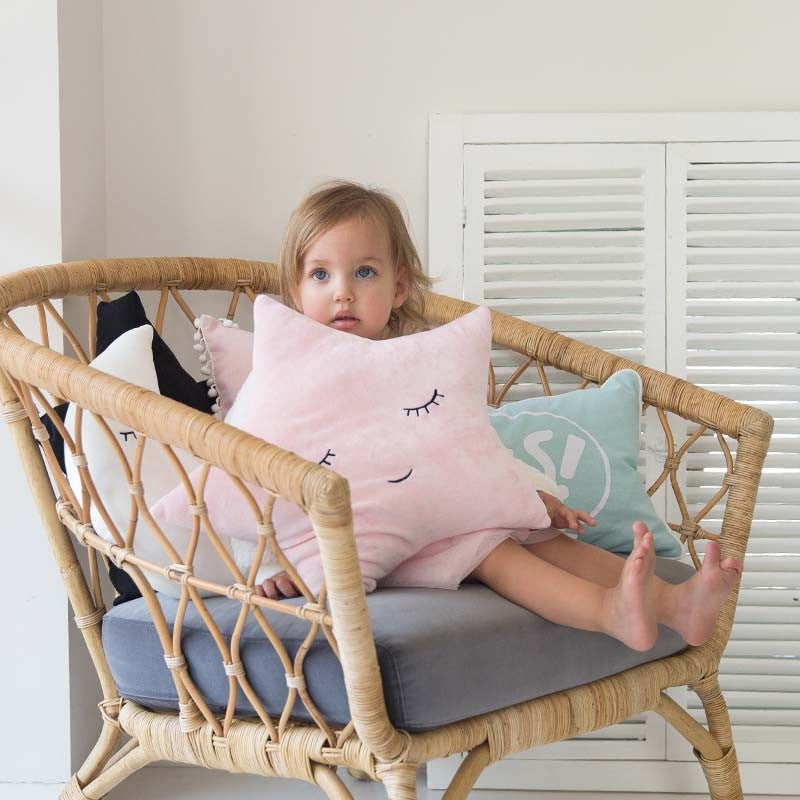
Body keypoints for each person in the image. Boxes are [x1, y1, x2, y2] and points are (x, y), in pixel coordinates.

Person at [256, 179, 741, 652]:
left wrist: (531, 497)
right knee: (492, 549)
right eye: (320, 275)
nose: (342, 292)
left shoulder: (418, 367)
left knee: (541, 536)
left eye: (364, 272)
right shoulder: (292, 376)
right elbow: (252, 469)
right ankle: (607, 612)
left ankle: (675, 604)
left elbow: (469, 449)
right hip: (377, 541)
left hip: (439, 514)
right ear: (296, 289)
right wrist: (275, 565)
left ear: (398, 286)